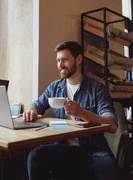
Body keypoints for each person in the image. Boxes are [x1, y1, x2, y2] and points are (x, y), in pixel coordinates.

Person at [23, 41, 119, 180]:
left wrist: (82, 113)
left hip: (94, 151)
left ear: (78, 59)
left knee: (107, 172)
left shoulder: (97, 87)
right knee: (34, 156)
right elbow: (37, 104)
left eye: (65, 60)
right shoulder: (55, 87)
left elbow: (112, 125)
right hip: (64, 149)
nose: (60, 65)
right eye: (58, 60)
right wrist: (31, 110)